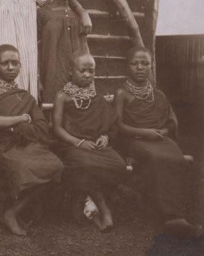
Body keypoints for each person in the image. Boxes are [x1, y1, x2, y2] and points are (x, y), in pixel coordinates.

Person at [114, 46, 199, 237]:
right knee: (158, 158)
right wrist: (145, 133)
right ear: (127, 66)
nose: (140, 67)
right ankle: (171, 217)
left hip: (160, 138)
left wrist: (164, 131)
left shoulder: (158, 94)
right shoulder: (122, 94)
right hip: (135, 139)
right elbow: (119, 126)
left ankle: (181, 213)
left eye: (145, 63)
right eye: (135, 63)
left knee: (177, 158)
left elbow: (171, 121)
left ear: (151, 66)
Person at [0, 44, 63, 236]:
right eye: (5, 63)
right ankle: (10, 214)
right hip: (1, 147)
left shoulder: (27, 97)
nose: (10, 67)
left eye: (14, 63)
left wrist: (21, 128)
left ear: (20, 66)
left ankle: (12, 212)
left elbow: (41, 124)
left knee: (56, 165)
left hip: (26, 145)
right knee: (25, 167)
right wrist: (21, 119)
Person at [53, 51, 126, 232]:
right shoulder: (62, 96)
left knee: (119, 164)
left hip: (96, 145)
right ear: (71, 71)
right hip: (72, 145)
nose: (87, 75)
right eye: (82, 70)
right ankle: (103, 208)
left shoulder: (97, 95)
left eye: (91, 71)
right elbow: (57, 128)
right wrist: (79, 143)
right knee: (84, 164)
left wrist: (105, 137)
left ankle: (85, 201)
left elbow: (109, 123)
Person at [37, 0, 90, 103]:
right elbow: (33, 48)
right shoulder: (43, 13)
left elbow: (85, 48)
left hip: (77, 75)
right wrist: (37, 79)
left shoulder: (80, 16)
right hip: (51, 75)